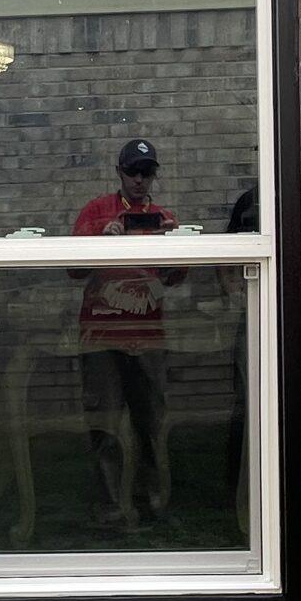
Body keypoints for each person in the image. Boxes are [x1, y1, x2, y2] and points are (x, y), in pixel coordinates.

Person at [71, 138, 180, 525]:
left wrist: (174, 244)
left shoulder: (163, 216)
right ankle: (109, 506)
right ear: (119, 172)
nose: (139, 179)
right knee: (104, 419)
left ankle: (151, 499)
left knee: (150, 419)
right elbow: (72, 268)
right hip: (101, 335)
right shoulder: (97, 210)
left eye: (147, 172)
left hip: (147, 333)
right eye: (132, 171)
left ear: (154, 176)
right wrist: (102, 237)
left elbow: (176, 278)